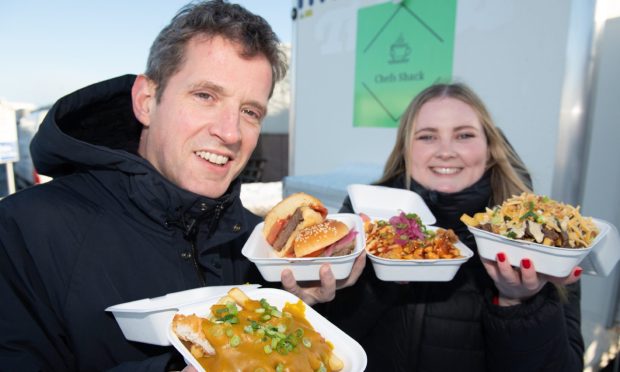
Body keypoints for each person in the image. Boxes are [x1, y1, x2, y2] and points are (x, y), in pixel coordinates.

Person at [0, 1, 364, 370]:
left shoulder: (260, 245)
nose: (230, 132)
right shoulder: (24, 230)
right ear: (146, 101)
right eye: (205, 96)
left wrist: (304, 303)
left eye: (250, 112)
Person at [325, 83, 584, 371]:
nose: (446, 151)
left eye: (464, 135)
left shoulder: (538, 238)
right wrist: (379, 280)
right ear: (405, 150)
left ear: (491, 147)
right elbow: (324, 344)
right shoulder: (363, 217)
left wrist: (518, 302)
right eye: (427, 136)